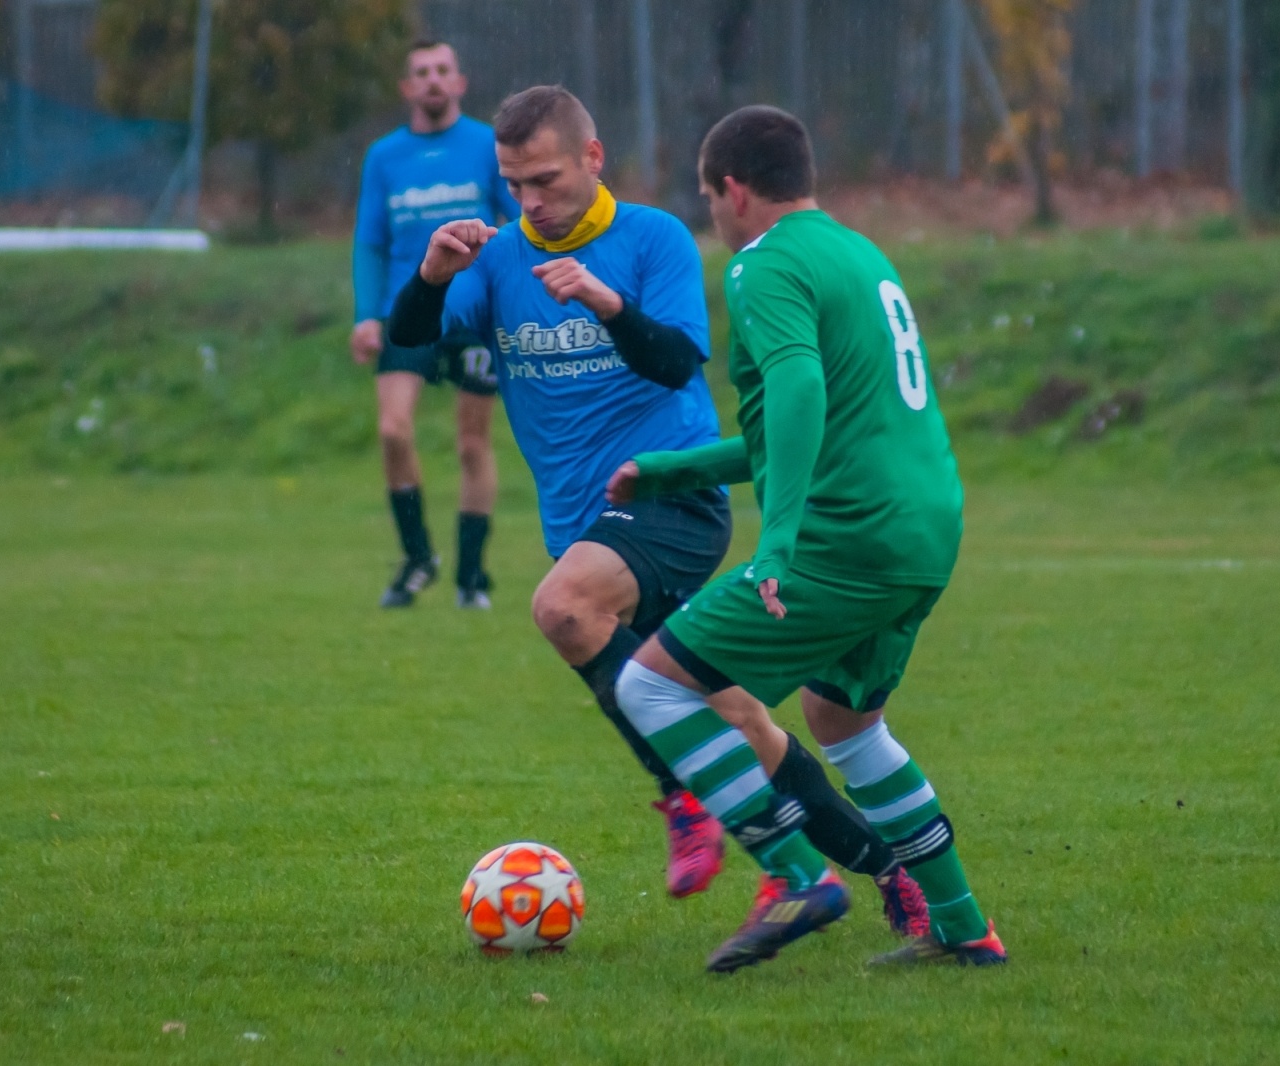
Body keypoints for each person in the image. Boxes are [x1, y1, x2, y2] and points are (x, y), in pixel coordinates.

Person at [385, 86, 929, 935]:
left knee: (562, 608)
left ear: (593, 159)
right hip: (584, 526)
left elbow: (677, 363)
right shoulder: (493, 259)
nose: (530, 201)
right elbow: (411, 343)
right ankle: (888, 869)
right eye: (514, 182)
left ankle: (690, 802)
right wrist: (430, 276)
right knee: (737, 718)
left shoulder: (652, 238)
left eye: (548, 179)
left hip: (671, 502)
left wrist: (604, 301)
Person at [608, 105, 1005, 973]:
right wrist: (674, 470)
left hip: (849, 537)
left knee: (651, 689)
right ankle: (964, 928)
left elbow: (797, 395)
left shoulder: (763, 266)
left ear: (734, 190)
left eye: (708, 197)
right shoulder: (858, 253)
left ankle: (796, 873)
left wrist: (777, 545)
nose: (711, 215)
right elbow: (810, 420)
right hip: (926, 527)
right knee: (842, 719)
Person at [352, 40, 519, 608]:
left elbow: (518, 223)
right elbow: (370, 242)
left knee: (472, 443)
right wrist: (365, 316)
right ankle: (418, 558)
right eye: (421, 72)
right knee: (393, 430)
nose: (432, 80)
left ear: (460, 82)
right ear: (407, 88)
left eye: (442, 70)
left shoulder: (484, 146)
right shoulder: (384, 156)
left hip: (470, 311)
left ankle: (471, 576)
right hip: (410, 309)